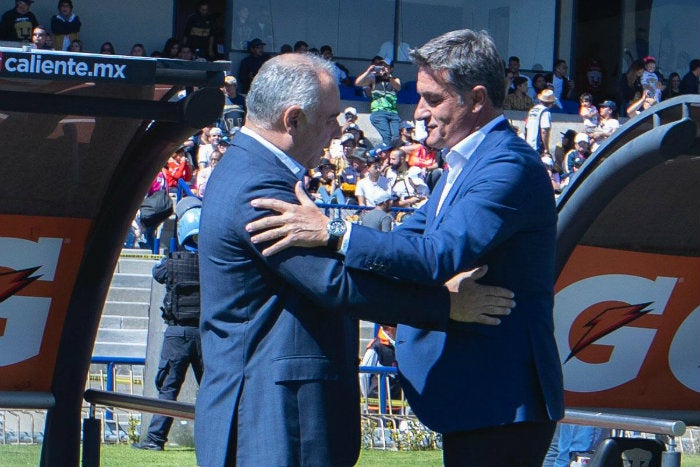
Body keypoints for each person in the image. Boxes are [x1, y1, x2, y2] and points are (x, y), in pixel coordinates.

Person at [246, 29, 564, 467]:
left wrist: (333, 228)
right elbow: (405, 243)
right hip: (483, 400)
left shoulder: (507, 166)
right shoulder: (467, 162)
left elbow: (434, 256)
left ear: (475, 99)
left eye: (434, 99)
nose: (420, 112)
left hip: (502, 403)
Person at [195, 52, 516, 467]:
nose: (336, 131)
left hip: (269, 408)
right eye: (330, 119)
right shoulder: (259, 188)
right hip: (273, 415)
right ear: (293, 120)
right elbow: (334, 284)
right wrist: (448, 306)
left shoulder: (247, 169)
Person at [132, 197, 204, 451]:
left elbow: (157, 273)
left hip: (177, 334)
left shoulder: (172, 262)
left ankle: (155, 440)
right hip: (206, 334)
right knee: (211, 390)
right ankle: (215, 440)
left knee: (168, 389)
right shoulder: (213, 263)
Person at [355, 57, 402, 145]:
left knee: (396, 138)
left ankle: (381, 153)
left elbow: (398, 87)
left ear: (391, 69)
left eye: (386, 66)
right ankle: (382, 154)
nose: (383, 68)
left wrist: (389, 76)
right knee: (387, 137)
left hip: (393, 113)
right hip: (379, 112)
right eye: (381, 66)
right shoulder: (374, 79)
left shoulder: (395, 79)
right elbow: (358, 83)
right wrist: (368, 72)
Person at [525, 89, 556, 156]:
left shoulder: (532, 110)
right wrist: (546, 149)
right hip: (537, 147)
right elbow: (544, 131)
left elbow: (527, 127)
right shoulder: (545, 112)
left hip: (528, 145)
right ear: (551, 103)